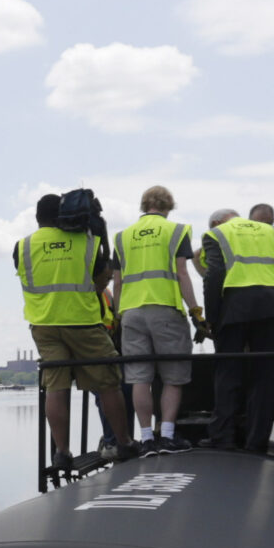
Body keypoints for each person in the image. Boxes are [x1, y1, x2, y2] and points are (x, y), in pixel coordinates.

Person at [14, 192, 135, 468]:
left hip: (43, 325)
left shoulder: (22, 246)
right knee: (108, 382)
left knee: (55, 386)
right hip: (83, 322)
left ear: (37, 217)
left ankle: (62, 453)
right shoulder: (85, 241)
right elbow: (101, 280)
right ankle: (124, 442)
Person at [198, 204, 274, 452]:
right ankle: (256, 442)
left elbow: (214, 275)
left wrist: (212, 318)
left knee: (228, 372)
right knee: (265, 376)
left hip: (236, 307)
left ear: (216, 223)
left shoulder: (216, 234)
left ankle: (223, 437)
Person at [110, 186, 204, 454]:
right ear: (169, 206)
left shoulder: (122, 237)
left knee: (140, 378)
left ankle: (146, 439)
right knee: (173, 376)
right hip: (165, 308)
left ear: (144, 205)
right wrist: (195, 311)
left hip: (131, 312)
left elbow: (117, 281)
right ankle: (167, 437)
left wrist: (118, 315)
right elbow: (182, 273)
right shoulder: (176, 231)